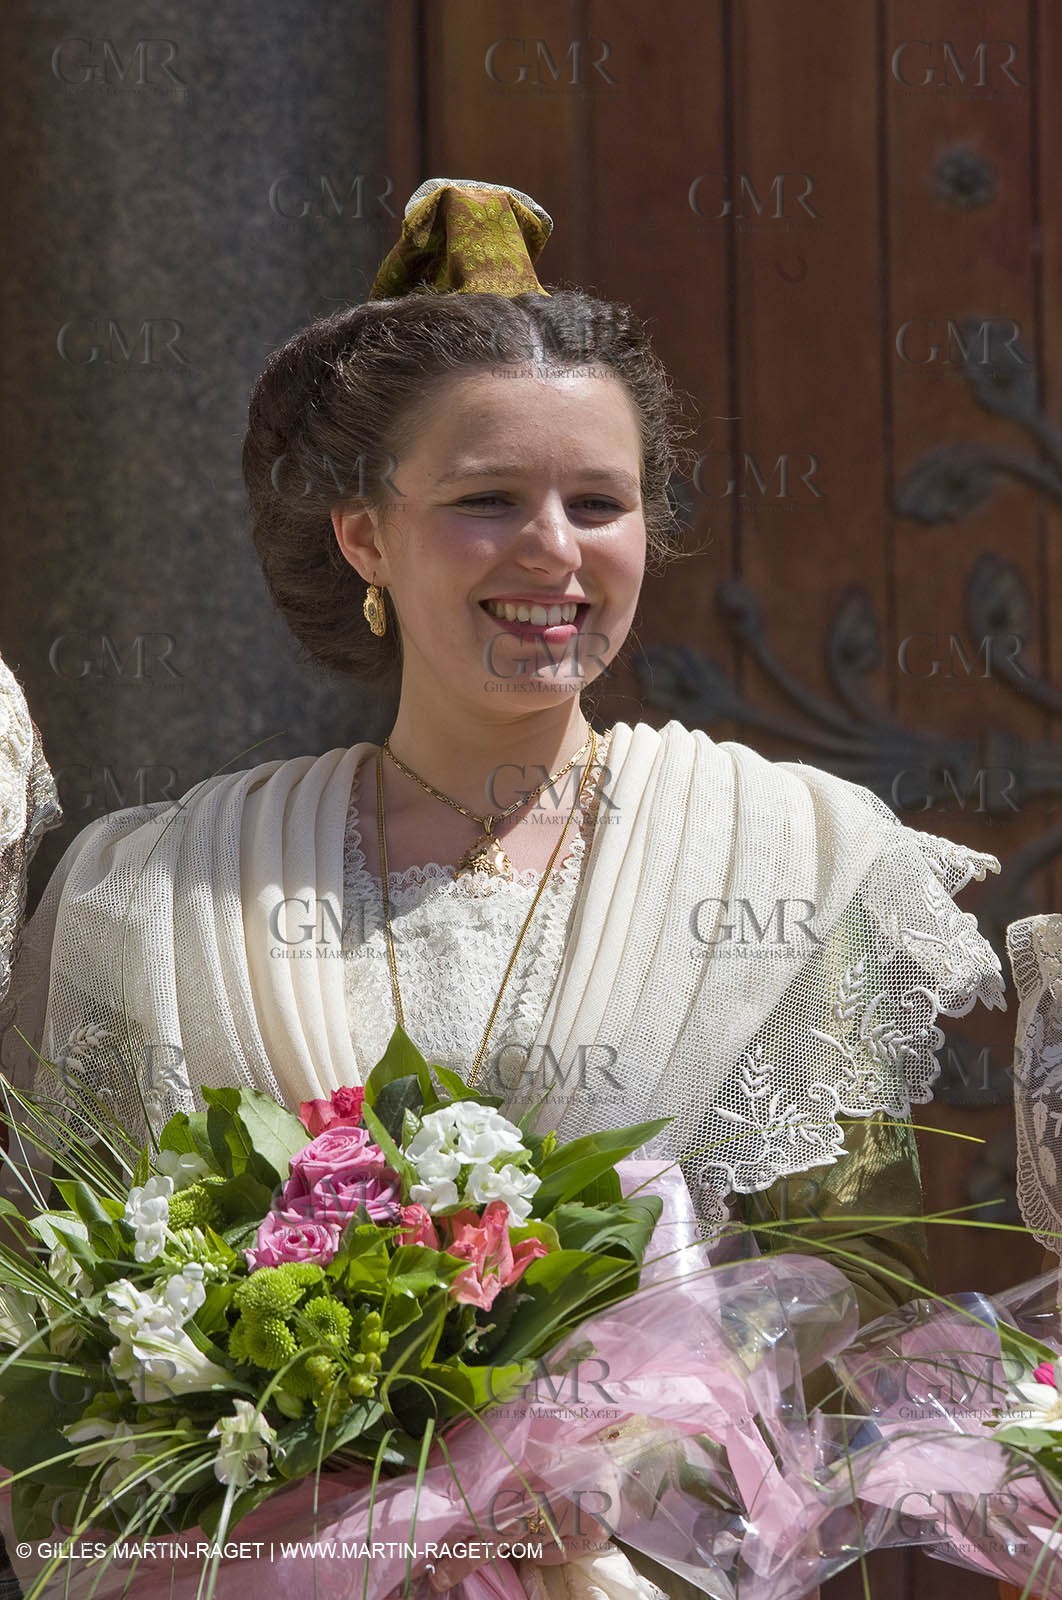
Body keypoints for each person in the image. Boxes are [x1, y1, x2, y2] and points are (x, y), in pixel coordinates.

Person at [0, 178, 1009, 1600]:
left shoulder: (795, 860)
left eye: (599, 502)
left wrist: (622, 1484)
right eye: (487, 502)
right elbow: (56, 1347)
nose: (555, 551)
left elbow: (849, 1325)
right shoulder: (151, 897)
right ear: (364, 536)